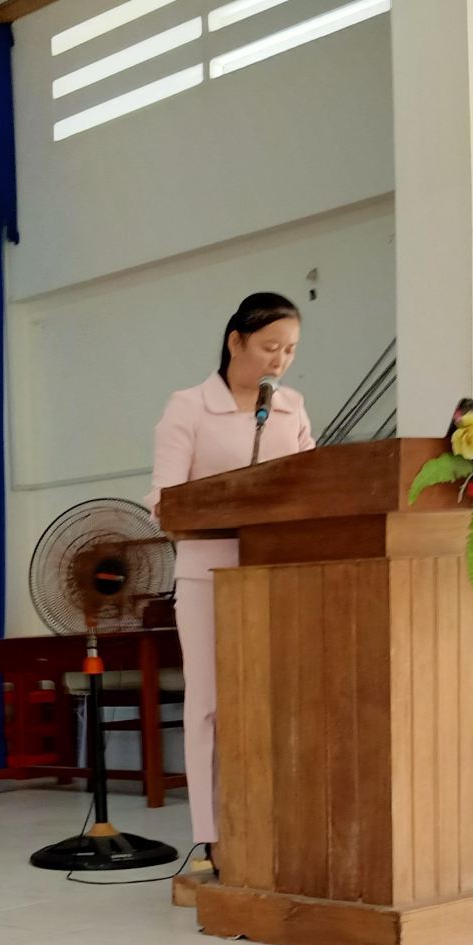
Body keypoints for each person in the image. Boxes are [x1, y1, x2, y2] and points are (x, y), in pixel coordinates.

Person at [143, 292, 317, 869]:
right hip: (206, 572)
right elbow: (162, 500)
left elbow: (318, 484)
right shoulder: (188, 406)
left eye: (289, 350)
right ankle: (211, 834)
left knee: (280, 699)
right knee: (212, 703)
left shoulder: (291, 407)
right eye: (269, 346)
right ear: (235, 341)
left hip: (277, 572)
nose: (280, 361)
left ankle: (278, 822)